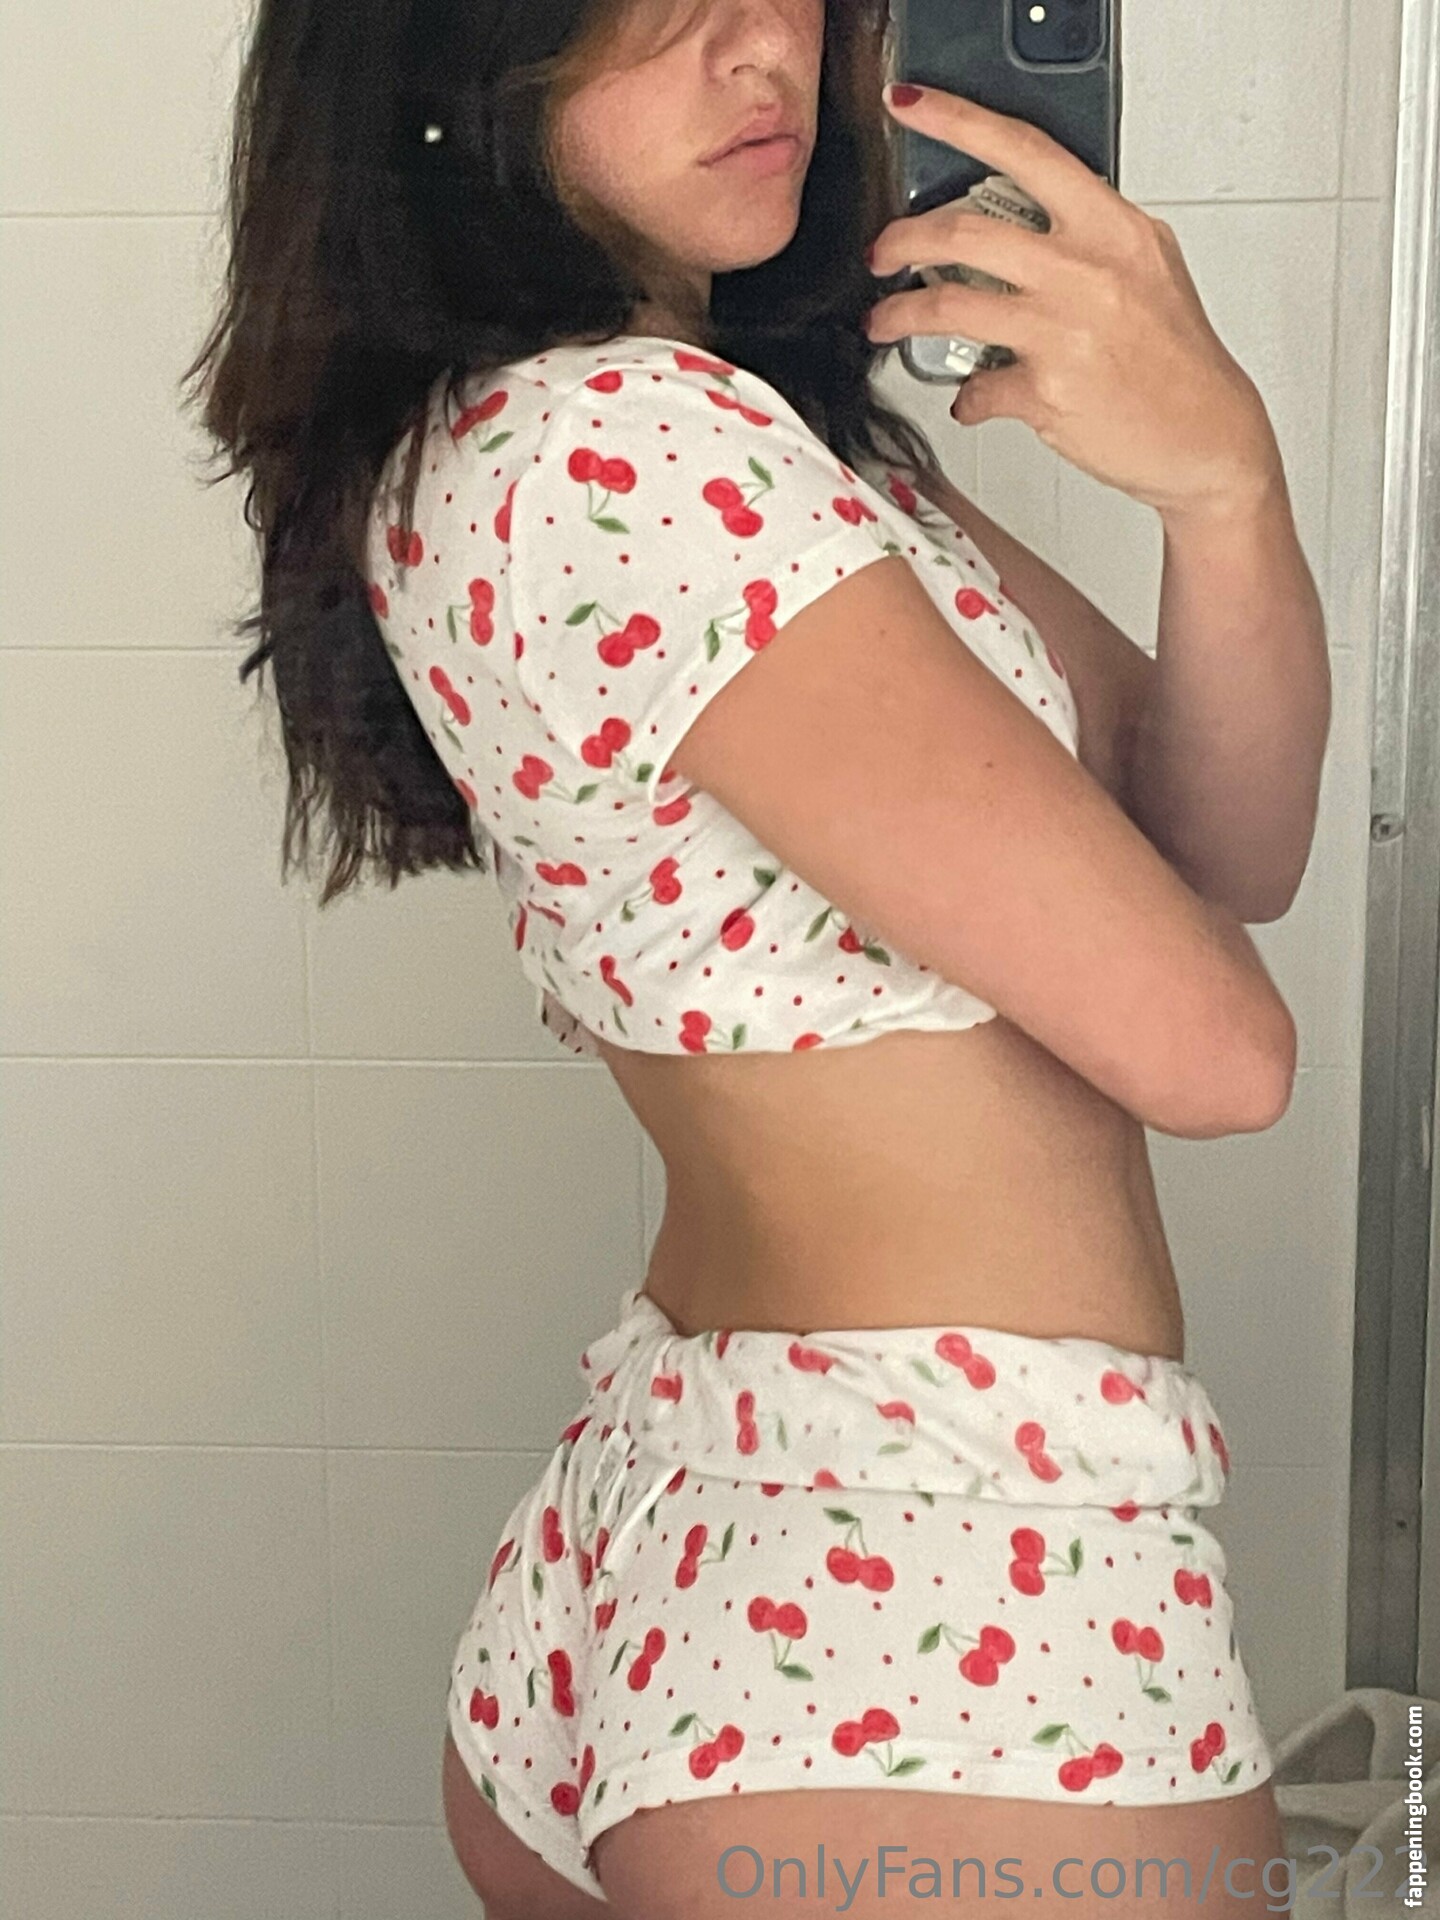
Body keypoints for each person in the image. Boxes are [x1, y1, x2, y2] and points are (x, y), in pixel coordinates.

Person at [185, 0, 1332, 1913]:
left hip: (727, 1525)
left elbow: (1230, 843)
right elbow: (1221, 1053)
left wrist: (1224, 490)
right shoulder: (634, 443)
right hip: (934, 1591)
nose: (759, 45)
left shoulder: (683, 436)